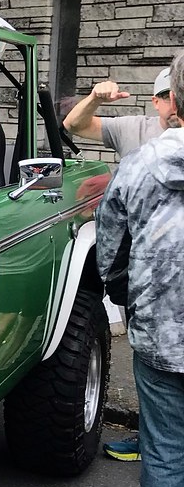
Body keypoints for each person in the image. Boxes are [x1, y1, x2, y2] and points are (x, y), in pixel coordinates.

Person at [95, 51, 184, 487]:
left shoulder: (143, 163)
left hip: (160, 328)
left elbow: (112, 240)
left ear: (173, 99)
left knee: (165, 448)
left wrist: (122, 292)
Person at [65, 65, 175, 461]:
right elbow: (74, 125)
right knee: (153, 361)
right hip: (147, 273)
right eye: (162, 96)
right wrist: (94, 98)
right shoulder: (136, 129)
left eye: (171, 95)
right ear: (156, 99)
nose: (167, 104)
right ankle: (153, 441)